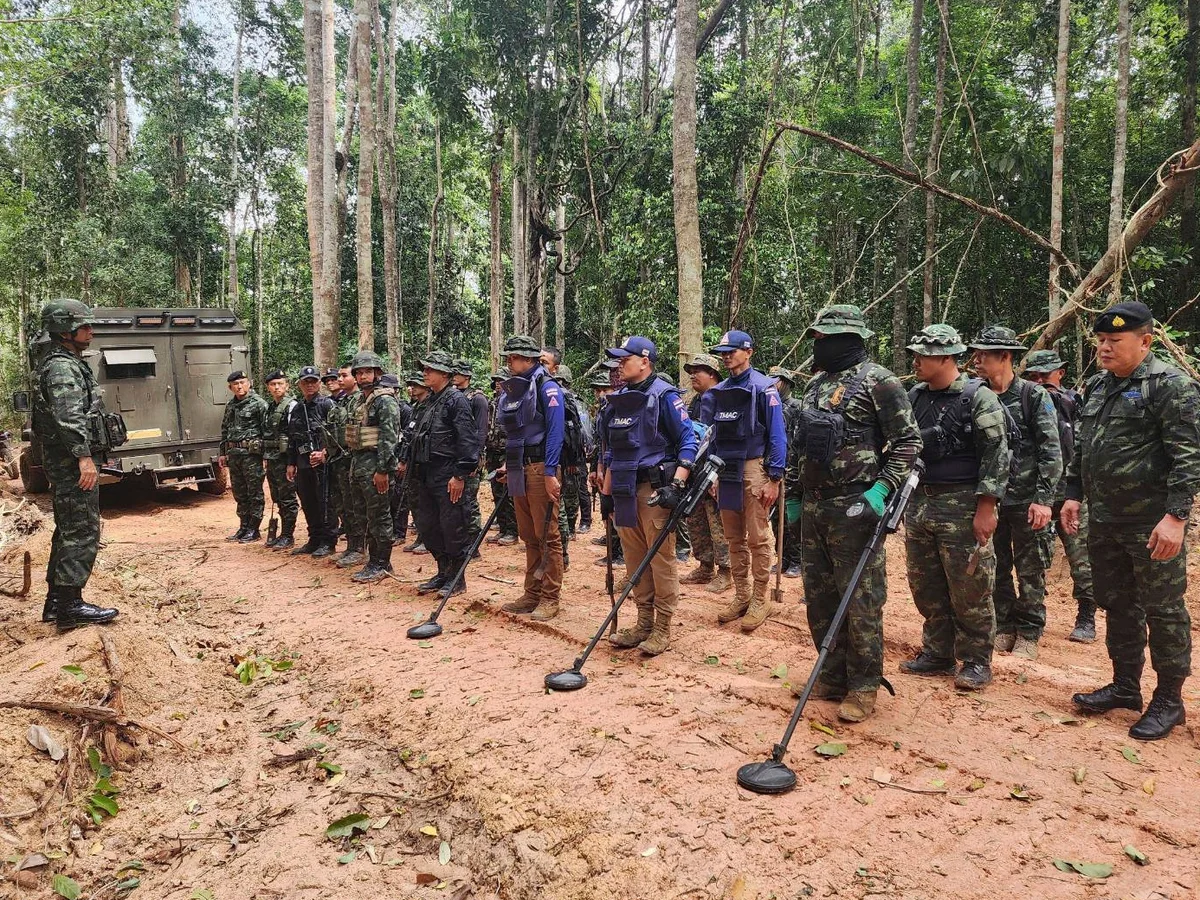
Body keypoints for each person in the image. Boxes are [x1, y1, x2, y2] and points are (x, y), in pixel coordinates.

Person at [1063, 301, 1199, 741]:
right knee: (1118, 603)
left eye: (1114, 340)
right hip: (1105, 521)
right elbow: (1084, 447)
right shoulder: (1098, 386)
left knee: (1163, 609)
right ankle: (1125, 685)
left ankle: (1169, 700)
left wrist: (1176, 517)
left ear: (1145, 342)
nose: (1104, 348)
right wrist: (1072, 493)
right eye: (1101, 340)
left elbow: (1188, 457)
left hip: (1151, 523)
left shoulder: (1171, 386)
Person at [795, 306, 922, 723]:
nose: (819, 346)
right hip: (815, 505)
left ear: (848, 339)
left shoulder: (879, 381)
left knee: (861, 599)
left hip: (856, 505)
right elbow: (804, 445)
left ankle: (864, 684)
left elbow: (908, 442)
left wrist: (881, 489)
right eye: (817, 338)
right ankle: (831, 675)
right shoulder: (815, 384)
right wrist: (795, 496)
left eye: (825, 339)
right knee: (820, 596)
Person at [902, 325, 1009, 691]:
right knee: (925, 582)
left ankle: (977, 659)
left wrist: (986, 507)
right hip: (920, 502)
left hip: (963, 504)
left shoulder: (978, 398)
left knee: (970, 586)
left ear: (947, 357)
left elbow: (996, 456)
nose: (916, 361)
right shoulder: (914, 396)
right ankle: (938, 652)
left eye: (923, 355)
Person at [597, 336, 698, 654]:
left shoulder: (665, 396)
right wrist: (607, 493)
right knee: (634, 558)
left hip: (654, 490)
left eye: (624, 359)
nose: (619, 365)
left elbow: (688, 441)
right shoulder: (618, 400)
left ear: (644, 361)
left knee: (660, 560)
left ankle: (662, 627)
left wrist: (677, 484)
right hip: (624, 488)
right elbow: (613, 450)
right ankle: (643, 622)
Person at [969, 326, 1063, 661]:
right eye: (975, 354)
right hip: (990, 499)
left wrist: (1044, 500)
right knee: (996, 566)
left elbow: (1051, 450)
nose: (976, 361)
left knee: (1030, 568)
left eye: (984, 355)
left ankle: (1029, 632)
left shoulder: (1032, 396)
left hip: (1026, 499)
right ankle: (1004, 626)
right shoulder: (976, 395)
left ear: (1005, 357)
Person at [31, 299, 119, 631]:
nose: (90, 330)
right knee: (82, 530)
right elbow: (68, 417)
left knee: (69, 529)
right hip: (71, 462)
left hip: (67, 460)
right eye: (84, 326)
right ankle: (70, 607)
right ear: (65, 331)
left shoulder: (66, 362)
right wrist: (83, 457)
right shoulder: (61, 368)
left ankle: (57, 603)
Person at [701, 330, 788, 632]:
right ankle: (742, 594)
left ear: (748, 352)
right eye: (723, 353)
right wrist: (712, 475)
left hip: (754, 467)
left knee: (757, 536)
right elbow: (713, 437)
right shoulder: (719, 391)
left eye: (732, 351)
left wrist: (774, 478)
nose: (727, 357)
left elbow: (777, 435)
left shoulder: (764, 388)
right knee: (733, 537)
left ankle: (760, 598)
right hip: (726, 469)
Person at [1024, 348, 1096, 642]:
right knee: (1033, 557)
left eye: (1046, 375)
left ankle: (1087, 616)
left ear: (1061, 373)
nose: (1041, 381)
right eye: (1034, 377)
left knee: (1081, 556)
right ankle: (1030, 618)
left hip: (1070, 493)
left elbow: (1085, 445)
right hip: (1035, 492)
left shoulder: (1074, 402)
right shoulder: (1024, 402)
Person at [498, 334, 566, 621]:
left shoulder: (547, 387)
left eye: (514, 357)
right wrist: (508, 464)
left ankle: (550, 596)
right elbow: (516, 432)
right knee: (528, 535)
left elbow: (555, 432)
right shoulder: (514, 389)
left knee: (547, 534)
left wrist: (550, 471)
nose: (509, 362)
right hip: (518, 466)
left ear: (529, 359)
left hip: (540, 467)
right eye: (508, 357)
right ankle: (531, 592)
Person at [406, 351, 483, 596]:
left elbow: (467, 439)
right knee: (428, 526)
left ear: (445, 374)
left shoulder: (456, 400)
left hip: (447, 473)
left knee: (453, 527)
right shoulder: (428, 401)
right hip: (425, 473)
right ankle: (443, 572)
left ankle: (457, 578)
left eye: (430, 369)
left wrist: (460, 475)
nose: (425, 373)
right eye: (425, 369)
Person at [344, 351, 402, 583]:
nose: (363, 376)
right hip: (358, 464)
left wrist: (383, 471)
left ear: (377, 373)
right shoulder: (359, 400)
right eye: (359, 373)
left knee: (379, 516)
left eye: (368, 372)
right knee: (363, 515)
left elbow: (389, 438)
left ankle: (382, 563)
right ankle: (373, 560)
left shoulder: (385, 401)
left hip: (375, 467)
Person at [680, 353, 731, 593]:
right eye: (690, 372)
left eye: (697, 371)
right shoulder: (695, 401)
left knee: (717, 520)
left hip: (715, 469)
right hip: (696, 469)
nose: (692, 376)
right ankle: (705, 565)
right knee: (696, 518)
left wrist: (718, 474)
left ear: (712, 374)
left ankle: (726, 571)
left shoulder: (723, 397)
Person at [287, 366, 338, 557]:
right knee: (308, 502)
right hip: (303, 462)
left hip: (322, 464)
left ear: (318, 383)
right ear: (299, 384)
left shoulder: (327, 404)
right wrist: (291, 463)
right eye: (305, 382)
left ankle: (328, 541)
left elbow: (337, 433)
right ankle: (314, 539)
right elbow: (292, 438)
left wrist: (324, 452)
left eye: (313, 381)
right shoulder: (297, 408)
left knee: (324, 502)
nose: (309, 385)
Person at [219, 370, 269, 543]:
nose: (239, 386)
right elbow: (225, 429)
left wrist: (266, 455)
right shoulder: (230, 405)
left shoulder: (259, 404)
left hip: (251, 455)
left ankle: (254, 529)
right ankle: (244, 526)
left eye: (242, 382)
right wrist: (223, 453)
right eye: (235, 384)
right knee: (240, 493)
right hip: (234, 455)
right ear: (230, 387)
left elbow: (266, 431)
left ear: (249, 383)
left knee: (254, 492)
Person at [326, 364, 366, 568]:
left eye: (344, 375)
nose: (339, 379)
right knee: (343, 505)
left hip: (353, 461)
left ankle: (359, 548)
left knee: (354, 506)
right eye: (339, 376)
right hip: (338, 461)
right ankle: (351, 546)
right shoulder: (341, 401)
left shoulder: (361, 401)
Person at [769, 364, 804, 579]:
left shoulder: (798, 407)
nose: (774, 384)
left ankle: (797, 560)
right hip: (775, 468)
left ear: (787, 384)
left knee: (792, 517)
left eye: (778, 380)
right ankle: (782, 557)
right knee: (776, 518)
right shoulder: (769, 406)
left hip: (793, 469)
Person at [588, 368, 625, 567]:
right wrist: (598, 468)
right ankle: (614, 550)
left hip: (619, 467)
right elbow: (600, 443)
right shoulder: (603, 411)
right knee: (608, 509)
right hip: (606, 465)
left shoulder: (621, 408)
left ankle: (620, 554)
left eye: (606, 389)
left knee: (618, 512)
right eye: (599, 390)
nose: (602, 394)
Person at [452, 359, 490, 549]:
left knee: (468, 501)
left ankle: (473, 544)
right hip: (455, 456)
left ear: (466, 376)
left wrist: (475, 459)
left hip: (471, 456)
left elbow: (481, 431)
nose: (453, 376)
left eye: (457, 373)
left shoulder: (478, 398)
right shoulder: (453, 396)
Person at [262, 370, 300, 550]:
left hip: (285, 460)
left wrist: (292, 462)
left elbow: (295, 435)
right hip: (272, 459)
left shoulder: (292, 406)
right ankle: (282, 534)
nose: (277, 387)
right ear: (268, 387)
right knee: (277, 497)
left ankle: (287, 535)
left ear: (287, 385)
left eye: (280, 384)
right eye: (273, 384)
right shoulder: (270, 407)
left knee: (288, 498)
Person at [484, 369, 519, 546]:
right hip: (493, 451)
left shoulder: (513, 402)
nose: (498, 383)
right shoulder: (493, 402)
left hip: (507, 452)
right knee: (497, 492)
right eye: (496, 380)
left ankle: (512, 531)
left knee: (509, 494)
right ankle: (503, 528)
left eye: (501, 380)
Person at [400, 372, 430, 553]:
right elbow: (408, 435)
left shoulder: (430, 406)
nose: (412, 388)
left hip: (424, 461)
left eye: (416, 384)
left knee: (425, 503)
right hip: (412, 460)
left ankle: (428, 538)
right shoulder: (415, 407)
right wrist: (403, 459)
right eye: (410, 385)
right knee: (414, 501)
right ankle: (421, 536)